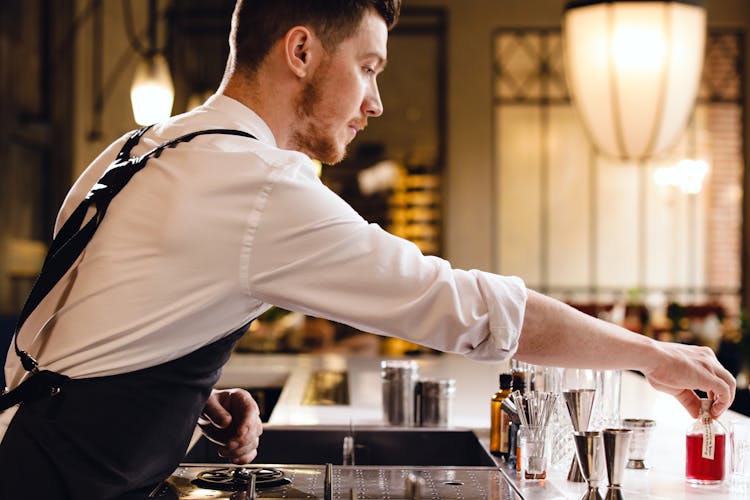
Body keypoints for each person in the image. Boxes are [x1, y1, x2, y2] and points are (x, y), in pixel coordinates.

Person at [0, 0, 735, 498]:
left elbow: (72, 336)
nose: (376, 101)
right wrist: (656, 355)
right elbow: (466, 309)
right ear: (301, 51)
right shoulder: (261, 185)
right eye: (371, 66)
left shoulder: (144, 145)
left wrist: (183, 401)